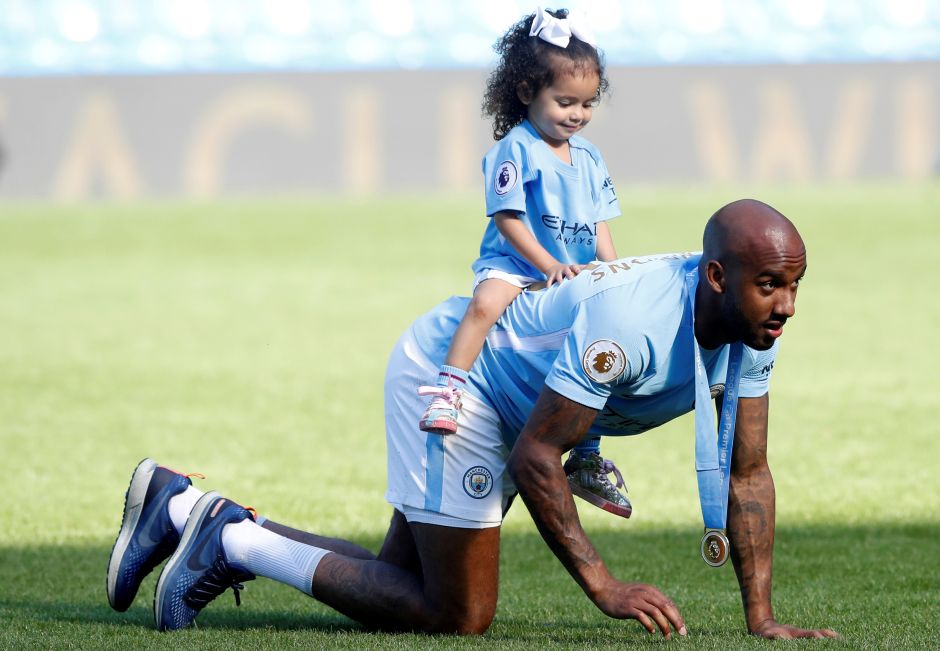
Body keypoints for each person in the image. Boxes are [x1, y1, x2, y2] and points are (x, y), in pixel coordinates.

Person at [107, 199, 838, 640]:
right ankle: (231, 540)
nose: (787, 307)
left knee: (396, 577)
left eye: (794, 286)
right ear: (717, 276)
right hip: (461, 380)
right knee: (457, 611)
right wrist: (606, 586)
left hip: (515, 400)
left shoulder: (751, 329)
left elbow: (748, 471)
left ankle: (188, 508)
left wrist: (761, 616)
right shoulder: (634, 325)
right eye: (771, 285)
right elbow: (537, 455)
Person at [417, 7, 631, 518]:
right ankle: (450, 388)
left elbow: (600, 223)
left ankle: (587, 454)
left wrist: (615, 272)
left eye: (586, 103)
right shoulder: (518, 148)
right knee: (485, 305)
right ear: (526, 92)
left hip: (573, 274)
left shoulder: (591, 158)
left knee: (595, 354)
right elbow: (509, 220)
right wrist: (547, 264)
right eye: (564, 102)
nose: (576, 114)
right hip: (518, 263)